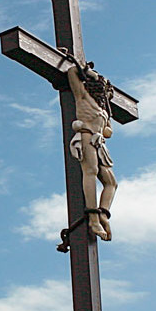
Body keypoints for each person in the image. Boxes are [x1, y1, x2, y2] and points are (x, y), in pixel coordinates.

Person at [63, 52, 118, 240]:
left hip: (98, 142)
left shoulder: (103, 110)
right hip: (86, 136)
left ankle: (103, 212)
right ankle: (93, 217)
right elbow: (71, 72)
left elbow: (108, 131)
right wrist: (87, 71)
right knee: (91, 171)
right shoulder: (83, 96)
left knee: (111, 182)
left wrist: (102, 126)